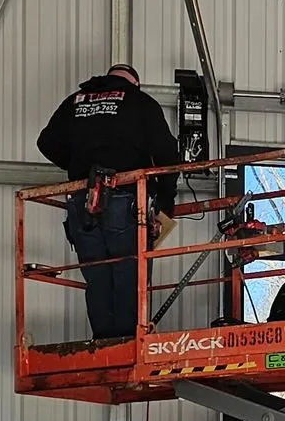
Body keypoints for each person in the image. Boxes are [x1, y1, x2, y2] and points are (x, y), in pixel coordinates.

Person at [36, 64, 181, 341]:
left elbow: (46, 143)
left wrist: (78, 166)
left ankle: (103, 344)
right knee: (129, 273)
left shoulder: (75, 101)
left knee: (97, 277)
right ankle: (127, 344)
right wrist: (165, 203)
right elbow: (167, 155)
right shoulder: (140, 102)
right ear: (134, 83)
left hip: (82, 202)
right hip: (124, 199)